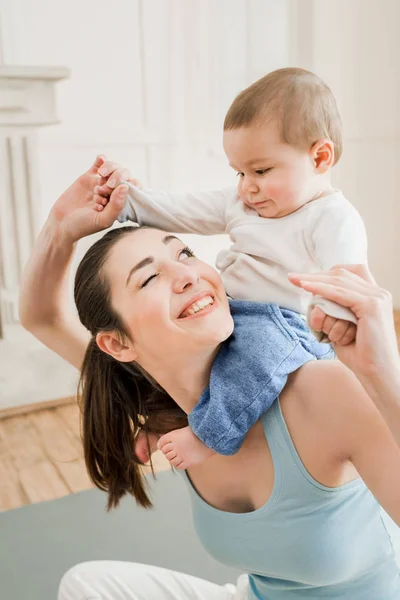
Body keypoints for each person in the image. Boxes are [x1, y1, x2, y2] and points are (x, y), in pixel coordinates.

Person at [20, 158, 400, 599]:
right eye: (148, 279)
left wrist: (382, 374)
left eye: (183, 252)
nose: (187, 274)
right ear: (119, 345)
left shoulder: (319, 389)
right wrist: (62, 225)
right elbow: (40, 318)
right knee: (85, 584)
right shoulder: (167, 410)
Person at [97, 67, 368, 466]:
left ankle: (210, 434)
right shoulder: (241, 202)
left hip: (282, 326)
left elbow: (347, 276)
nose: (247, 186)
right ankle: (163, 415)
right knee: (185, 358)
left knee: (250, 363)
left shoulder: (330, 217)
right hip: (228, 308)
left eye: (261, 171)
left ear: (320, 157)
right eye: (239, 172)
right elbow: (180, 210)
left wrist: (340, 313)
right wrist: (127, 200)